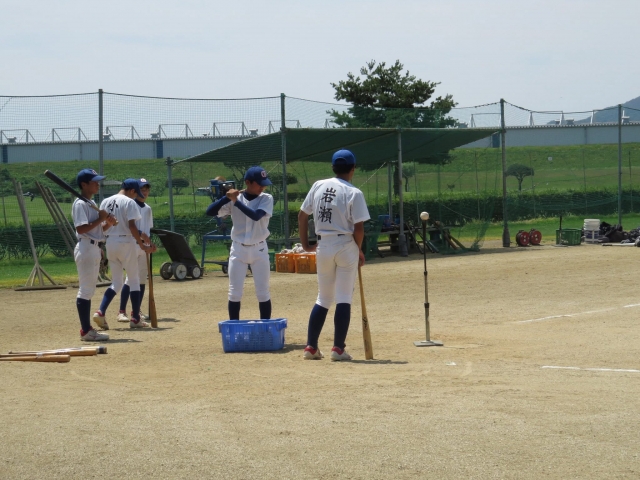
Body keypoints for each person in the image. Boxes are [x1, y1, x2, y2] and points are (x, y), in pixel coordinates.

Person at [298, 149, 370, 361]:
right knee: (344, 297)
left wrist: (306, 244)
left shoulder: (318, 185)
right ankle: (338, 349)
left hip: (323, 244)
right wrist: (358, 249)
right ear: (353, 169)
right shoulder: (354, 192)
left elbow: (302, 216)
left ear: (333, 167)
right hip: (345, 243)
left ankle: (311, 347)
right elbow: (359, 228)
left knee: (323, 297)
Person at [206, 166, 274, 321]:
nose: (262, 187)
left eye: (264, 184)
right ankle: (234, 328)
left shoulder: (266, 198)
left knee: (263, 292)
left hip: (259, 249)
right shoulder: (234, 199)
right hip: (238, 249)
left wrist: (235, 201)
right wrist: (226, 198)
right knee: (234, 293)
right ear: (248, 182)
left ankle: (265, 327)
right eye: (259, 183)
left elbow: (256, 216)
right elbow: (210, 212)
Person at [93, 179, 154, 329]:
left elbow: (102, 226)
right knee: (134, 280)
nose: (136, 196)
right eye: (136, 193)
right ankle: (135, 318)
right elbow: (132, 227)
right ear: (132, 191)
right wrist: (142, 245)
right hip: (126, 242)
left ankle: (101, 311)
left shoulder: (105, 201)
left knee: (117, 282)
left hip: (110, 242)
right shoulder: (129, 202)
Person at [72, 168, 117, 342]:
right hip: (86, 247)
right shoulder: (80, 204)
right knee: (85, 290)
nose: (98, 184)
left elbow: (98, 231)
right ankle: (86, 331)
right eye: (94, 182)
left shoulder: (90, 203)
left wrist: (108, 223)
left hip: (93, 247)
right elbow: (81, 228)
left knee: (89, 290)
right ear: (84, 184)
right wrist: (101, 218)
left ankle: (87, 330)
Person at [116, 178, 157, 322]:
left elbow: (148, 230)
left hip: (144, 247)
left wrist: (150, 245)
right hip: (132, 244)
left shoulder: (148, 209)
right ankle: (121, 311)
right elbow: (129, 227)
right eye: (142, 189)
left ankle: (136, 310)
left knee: (142, 279)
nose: (145, 192)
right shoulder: (131, 205)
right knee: (130, 279)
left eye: (147, 190)